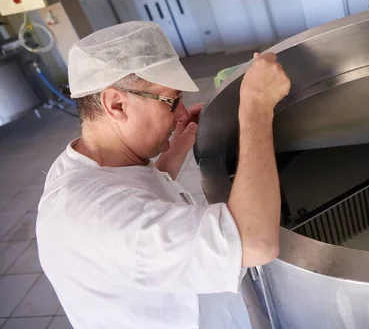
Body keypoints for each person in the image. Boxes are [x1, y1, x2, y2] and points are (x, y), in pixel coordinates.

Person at [36, 21, 291, 329]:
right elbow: (255, 242)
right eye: (171, 101)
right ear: (116, 104)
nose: (182, 114)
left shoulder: (82, 161)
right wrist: (256, 107)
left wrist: (173, 150)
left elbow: (133, 194)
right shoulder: (99, 218)